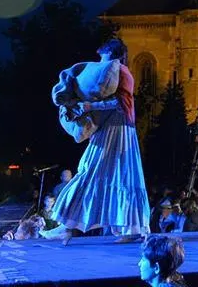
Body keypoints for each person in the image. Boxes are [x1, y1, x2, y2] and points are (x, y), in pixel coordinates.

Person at [51, 38, 151, 241]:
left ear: (111, 54)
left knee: (91, 172)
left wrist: (90, 106)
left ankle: (67, 226)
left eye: (102, 57)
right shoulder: (120, 72)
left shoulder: (121, 71)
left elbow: (121, 104)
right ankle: (129, 228)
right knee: (119, 176)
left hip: (116, 128)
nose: (100, 62)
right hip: (117, 127)